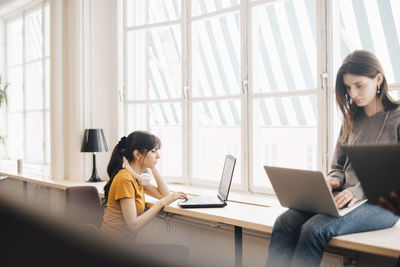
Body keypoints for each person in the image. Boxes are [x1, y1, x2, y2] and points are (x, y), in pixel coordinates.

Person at [266, 50, 400, 267]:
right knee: (285, 222)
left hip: (384, 204)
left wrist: (357, 191)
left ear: (378, 79)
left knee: (314, 229)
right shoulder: (352, 117)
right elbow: (337, 166)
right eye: (348, 87)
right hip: (344, 198)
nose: (353, 93)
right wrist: (333, 180)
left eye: (359, 85)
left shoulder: (397, 118)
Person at [101, 130, 187, 238]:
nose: (158, 156)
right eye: (153, 151)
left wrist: (152, 166)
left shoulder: (137, 178)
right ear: (137, 154)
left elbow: (165, 194)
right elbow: (133, 225)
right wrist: (161, 203)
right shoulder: (125, 179)